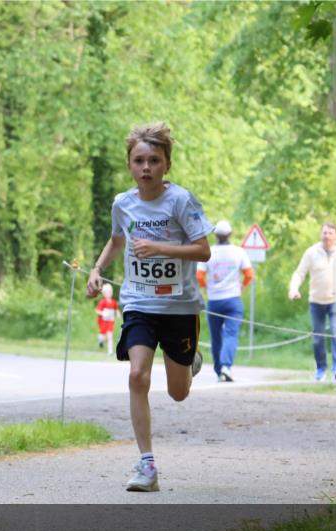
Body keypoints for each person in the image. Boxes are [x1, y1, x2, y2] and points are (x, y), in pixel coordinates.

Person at [86, 122, 212, 493]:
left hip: (180, 306)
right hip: (140, 303)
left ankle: (189, 363)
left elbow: (203, 250)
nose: (146, 168)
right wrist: (97, 270)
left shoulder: (181, 201)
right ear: (129, 165)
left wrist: (160, 248)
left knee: (178, 392)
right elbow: (116, 240)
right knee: (137, 375)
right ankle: (147, 463)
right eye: (139, 160)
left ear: (166, 165)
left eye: (154, 160)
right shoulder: (123, 204)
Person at [288, 222, 336, 381]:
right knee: (318, 337)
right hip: (316, 300)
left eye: (330, 233)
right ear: (320, 235)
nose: (327, 236)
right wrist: (293, 289)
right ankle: (321, 369)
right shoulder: (311, 252)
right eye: (324, 233)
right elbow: (299, 273)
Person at [196, 220, 253, 382]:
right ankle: (226, 366)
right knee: (231, 334)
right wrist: (242, 287)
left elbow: (199, 275)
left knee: (216, 337)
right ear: (230, 234)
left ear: (215, 235)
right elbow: (249, 274)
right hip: (233, 299)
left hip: (214, 300)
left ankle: (218, 370)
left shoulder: (208, 252)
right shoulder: (239, 252)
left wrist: (206, 288)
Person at [94, 283, 119, 355]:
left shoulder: (113, 302)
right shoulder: (103, 302)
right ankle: (100, 340)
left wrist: (118, 315)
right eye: (108, 292)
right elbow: (97, 311)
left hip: (110, 321)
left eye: (110, 291)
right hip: (103, 321)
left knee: (110, 336)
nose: (109, 293)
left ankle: (110, 351)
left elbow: (116, 309)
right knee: (103, 336)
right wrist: (103, 313)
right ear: (104, 293)